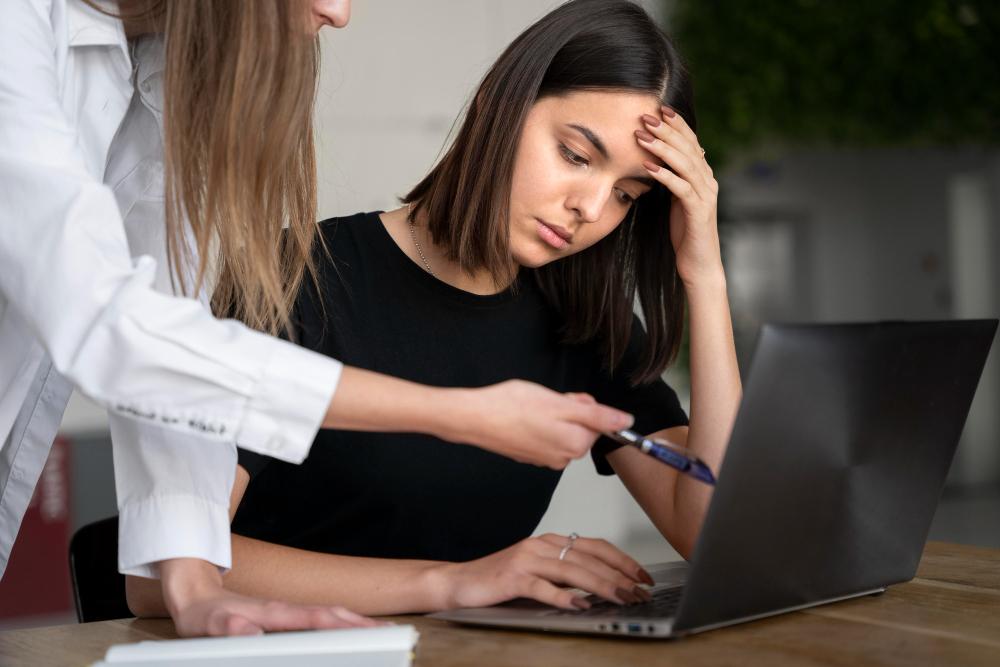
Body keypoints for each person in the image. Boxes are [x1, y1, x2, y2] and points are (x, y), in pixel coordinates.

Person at [0, 0, 634, 636]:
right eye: (574, 154)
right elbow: (114, 329)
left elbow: (169, 350)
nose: (338, 12)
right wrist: (459, 413)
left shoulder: (156, 72)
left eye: (628, 194)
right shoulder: (15, 33)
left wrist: (193, 585)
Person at [126, 0, 743, 617]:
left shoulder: (584, 320)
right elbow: (157, 579)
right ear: (499, 105)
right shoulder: (301, 277)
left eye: (627, 195)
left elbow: (713, 536)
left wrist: (706, 276)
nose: (591, 207)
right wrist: (452, 583)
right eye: (576, 156)